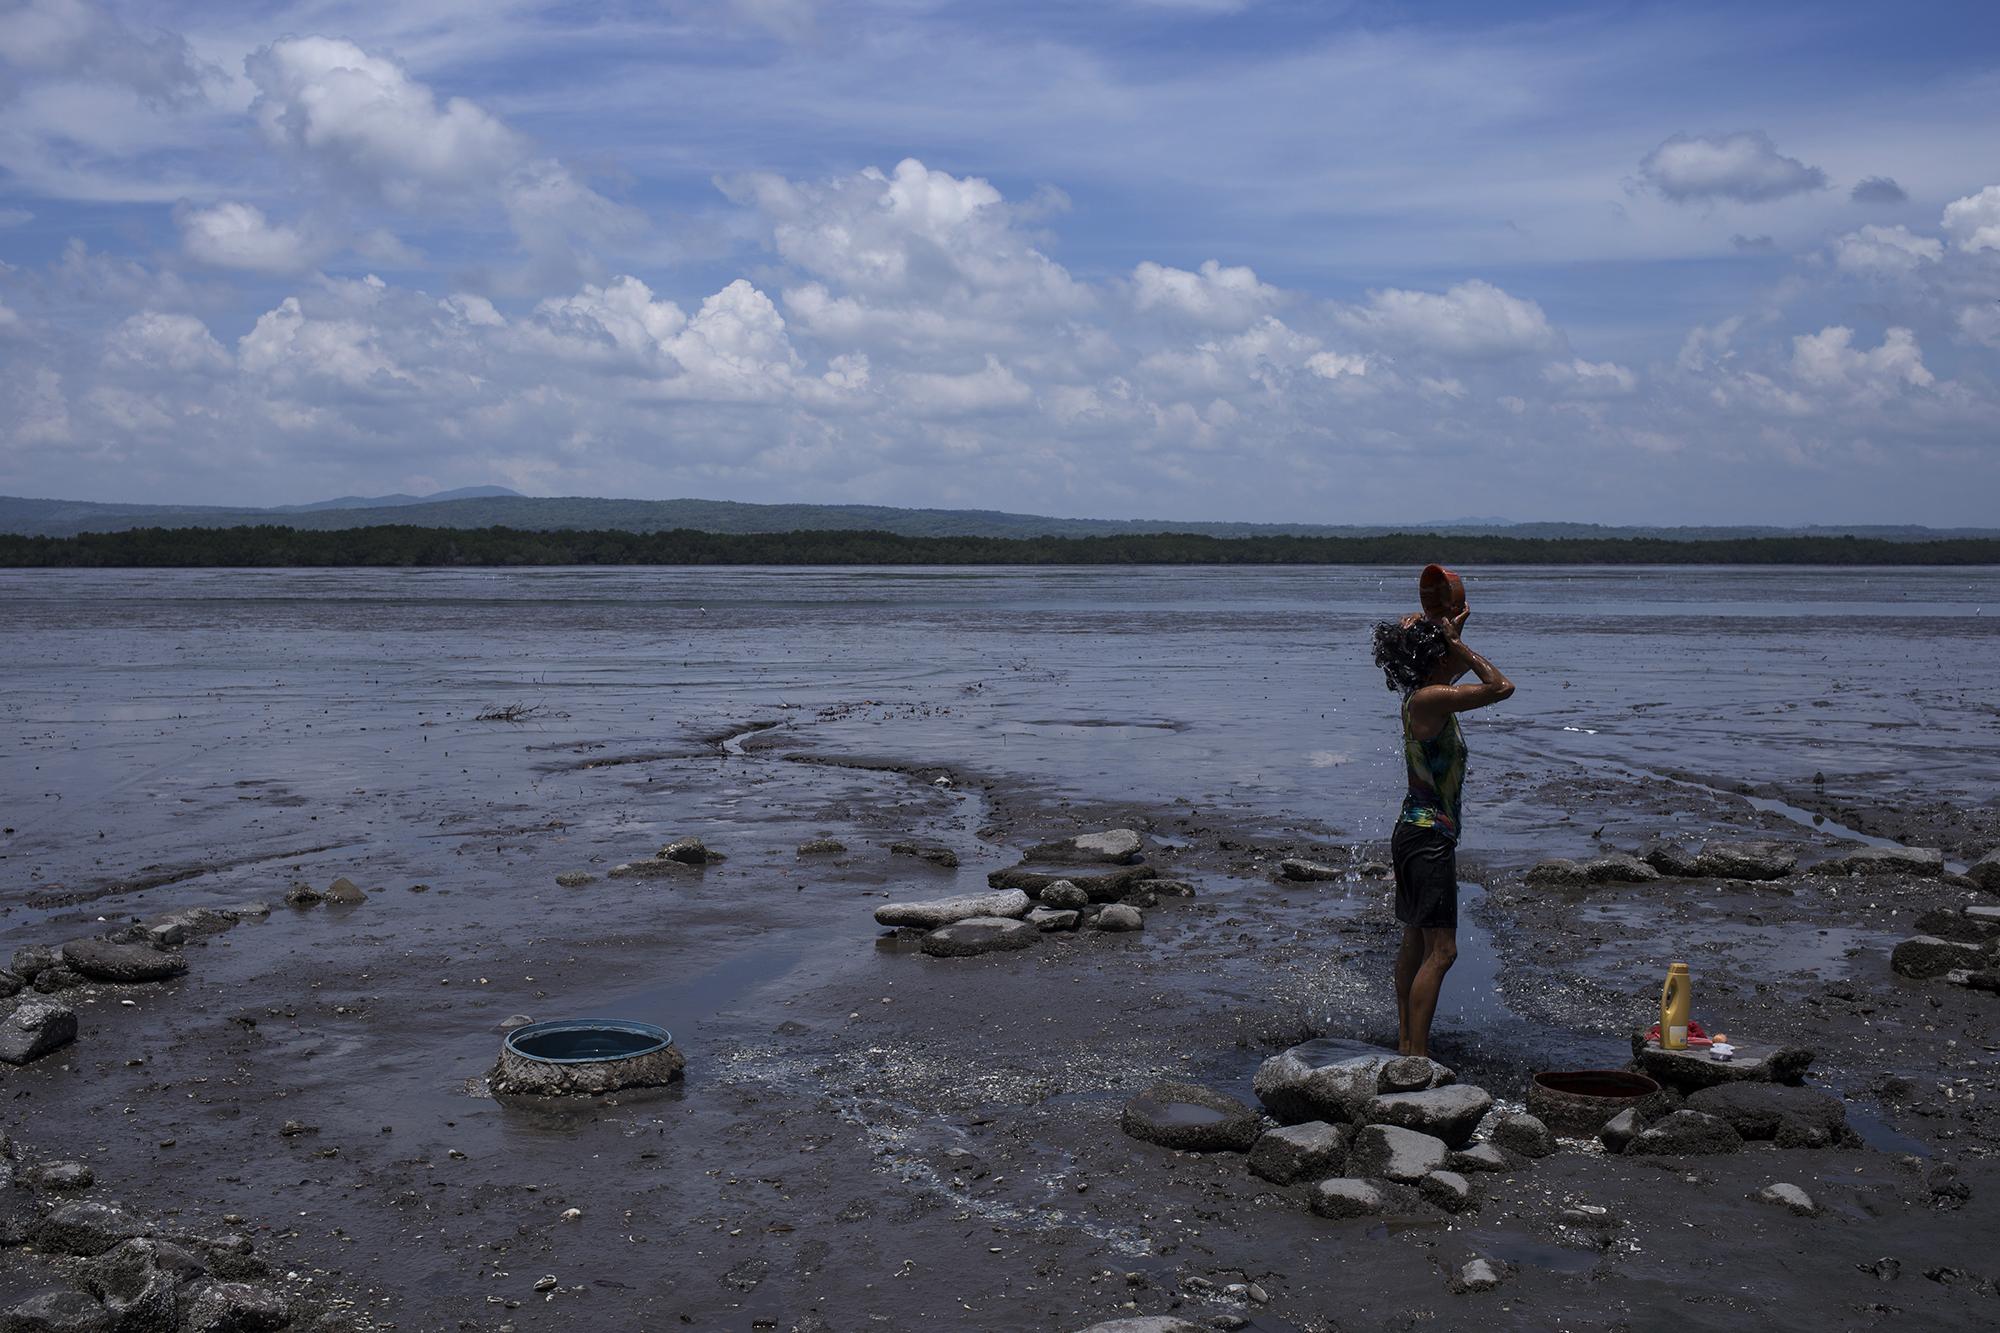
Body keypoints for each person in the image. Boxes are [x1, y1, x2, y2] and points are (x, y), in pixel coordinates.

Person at [1370, 604, 1514, 1058]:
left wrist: (1448, 631)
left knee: (1416, 939)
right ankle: (1416, 1055)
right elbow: (1500, 687)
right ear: (1434, 659)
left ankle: (1408, 1047)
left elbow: (1447, 673)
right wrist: (1454, 642)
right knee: (1443, 951)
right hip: (1428, 837)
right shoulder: (1430, 699)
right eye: (1444, 654)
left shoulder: (1422, 694)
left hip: (1415, 833)